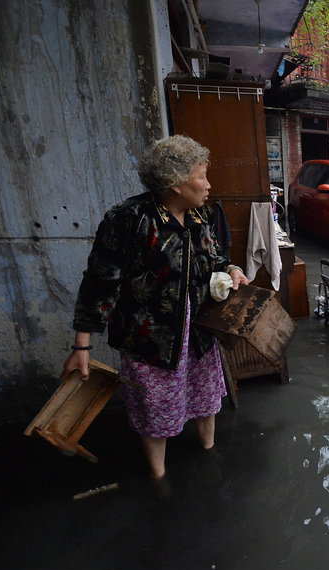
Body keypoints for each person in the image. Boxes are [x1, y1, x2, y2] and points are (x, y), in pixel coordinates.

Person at [63, 135, 249, 483]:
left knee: (205, 396)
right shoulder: (128, 219)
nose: (209, 185)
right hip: (150, 338)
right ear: (175, 184)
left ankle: (209, 454)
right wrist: (82, 345)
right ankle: (159, 479)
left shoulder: (201, 213)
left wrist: (233, 269)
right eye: (202, 176)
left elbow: (214, 257)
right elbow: (99, 283)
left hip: (199, 329)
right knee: (156, 409)